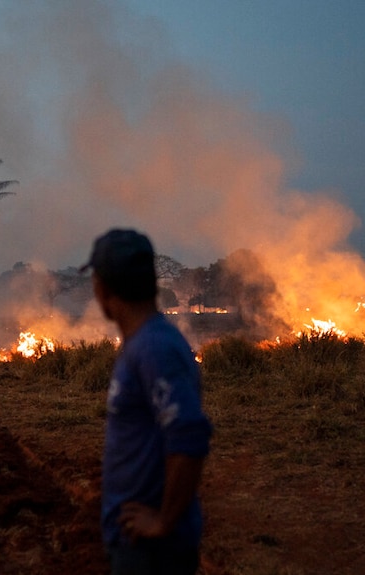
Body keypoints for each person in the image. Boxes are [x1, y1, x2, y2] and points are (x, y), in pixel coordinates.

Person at [80, 228, 213, 575]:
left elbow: (189, 435)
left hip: (153, 552)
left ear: (103, 288)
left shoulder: (155, 348)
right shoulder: (142, 343)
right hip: (132, 541)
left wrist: (164, 521)